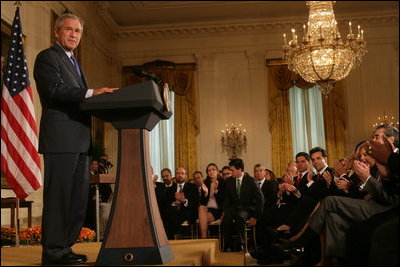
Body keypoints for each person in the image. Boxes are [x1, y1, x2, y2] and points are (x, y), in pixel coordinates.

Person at [34, 13, 118, 265]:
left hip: (81, 142)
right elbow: (54, 90)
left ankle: (65, 247)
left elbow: (79, 98)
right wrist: (92, 93)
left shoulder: (75, 63)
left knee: (76, 200)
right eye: (68, 30)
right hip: (60, 140)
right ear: (57, 32)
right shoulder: (48, 57)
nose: (73, 35)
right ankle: (53, 252)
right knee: (59, 197)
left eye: (77, 31)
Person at [222, 158, 264, 252]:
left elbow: (260, 199)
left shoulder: (251, 181)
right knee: (226, 218)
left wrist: (256, 216)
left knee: (240, 216)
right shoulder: (229, 181)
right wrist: (224, 212)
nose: (231, 172)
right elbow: (227, 199)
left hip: (247, 209)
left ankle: (241, 244)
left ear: (239, 169)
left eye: (232, 170)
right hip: (234, 208)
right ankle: (227, 245)